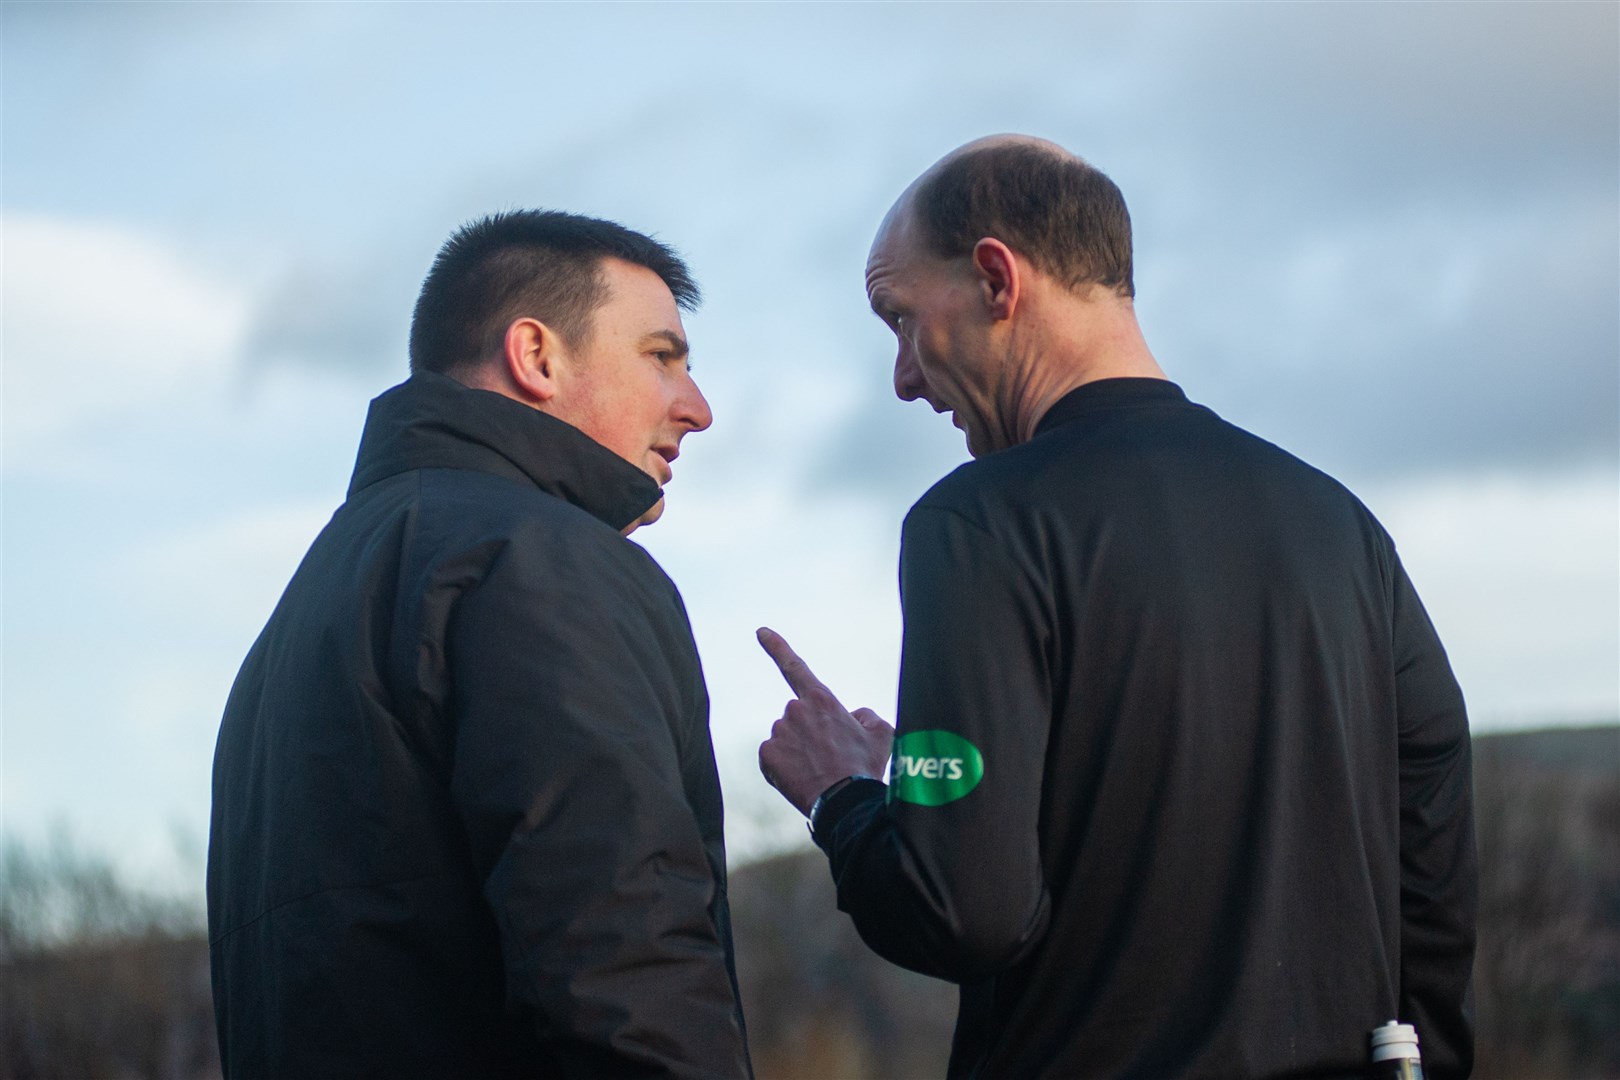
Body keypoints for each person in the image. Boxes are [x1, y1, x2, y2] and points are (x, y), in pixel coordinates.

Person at [757, 137, 1476, 1079]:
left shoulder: (980, 524)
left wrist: (845, 796)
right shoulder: (1337, 523)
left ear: (994, 279)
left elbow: (962, 910)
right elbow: (1433, 815)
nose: (902, 378)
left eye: (899, 319)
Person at [208, 210, 752, 1079]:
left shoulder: (303, 615)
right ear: (537, 356)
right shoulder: (540, 562)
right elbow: (623, 970)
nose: (698, 408)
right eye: (662, 356)